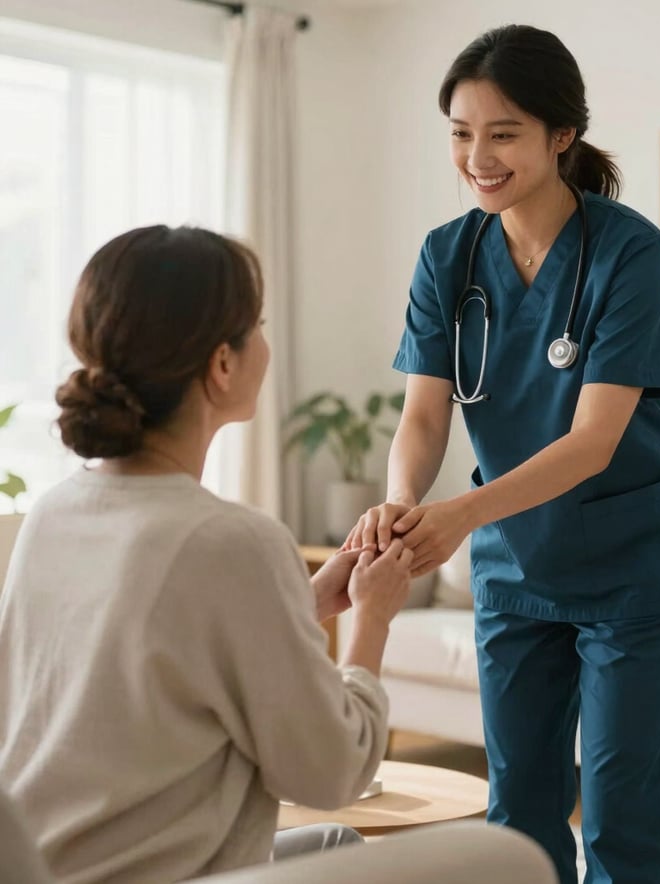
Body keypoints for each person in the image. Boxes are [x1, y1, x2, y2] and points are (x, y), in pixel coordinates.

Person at [346, 24, 660, 884]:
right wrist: (402, 500)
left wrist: (458, 514)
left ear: (561, 135)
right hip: (516, 568)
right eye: (461, 133)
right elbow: (424, 416)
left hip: (630, 571)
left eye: (503, 133)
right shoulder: (449, 253)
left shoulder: (629, 253)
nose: (478, 157)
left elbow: (592, 442)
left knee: (622, 819)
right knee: (516, 817)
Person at [0, 226, 413, 884]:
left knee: (333, 843)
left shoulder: (53, 513)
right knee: (503, 861)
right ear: (223, 365)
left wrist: (301, 605)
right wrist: (372, 618)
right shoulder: (232, 543)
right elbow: (331, 770)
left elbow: (149, 658)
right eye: (259, 325)